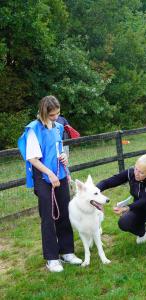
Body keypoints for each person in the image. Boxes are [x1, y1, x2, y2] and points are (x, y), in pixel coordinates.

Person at [18, 95, 82, 272]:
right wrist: (50, 175)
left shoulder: (59, 127)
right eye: (52, 115)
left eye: (58, 113)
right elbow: (32, 159)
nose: (55, 117)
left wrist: (64, 159)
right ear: (43, 112)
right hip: (44, 178)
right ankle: (52, 258)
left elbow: (59, 149)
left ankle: (67, 252)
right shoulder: (33, 130)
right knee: (48, 217)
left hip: (60, 175)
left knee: (63, 213)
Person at [96, 153, 146, 255]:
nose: (136, 174)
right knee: (124, 222)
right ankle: (143, 231)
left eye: (141, 172)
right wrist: (94, 191)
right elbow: (108, 182)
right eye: (136, 169)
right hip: (140, 206)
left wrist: (127, 208)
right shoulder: (132, 172)